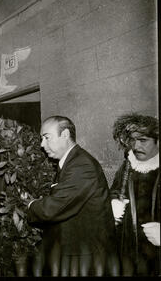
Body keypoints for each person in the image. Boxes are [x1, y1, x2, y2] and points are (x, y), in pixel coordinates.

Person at [25, 116, 119, 276]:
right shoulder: (70, 162)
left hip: (88, 258)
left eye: (46, 138)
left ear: (65, 134)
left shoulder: (81, 165)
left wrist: (31, 204)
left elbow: (52, 208)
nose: (42, 145)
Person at [110, 113, 160, 276]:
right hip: (128, 252)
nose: (136, 146)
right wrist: (112, 203)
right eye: (132, 140)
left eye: (143, 141)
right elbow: (115, 191)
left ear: (157, 142)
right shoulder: (127, 167)